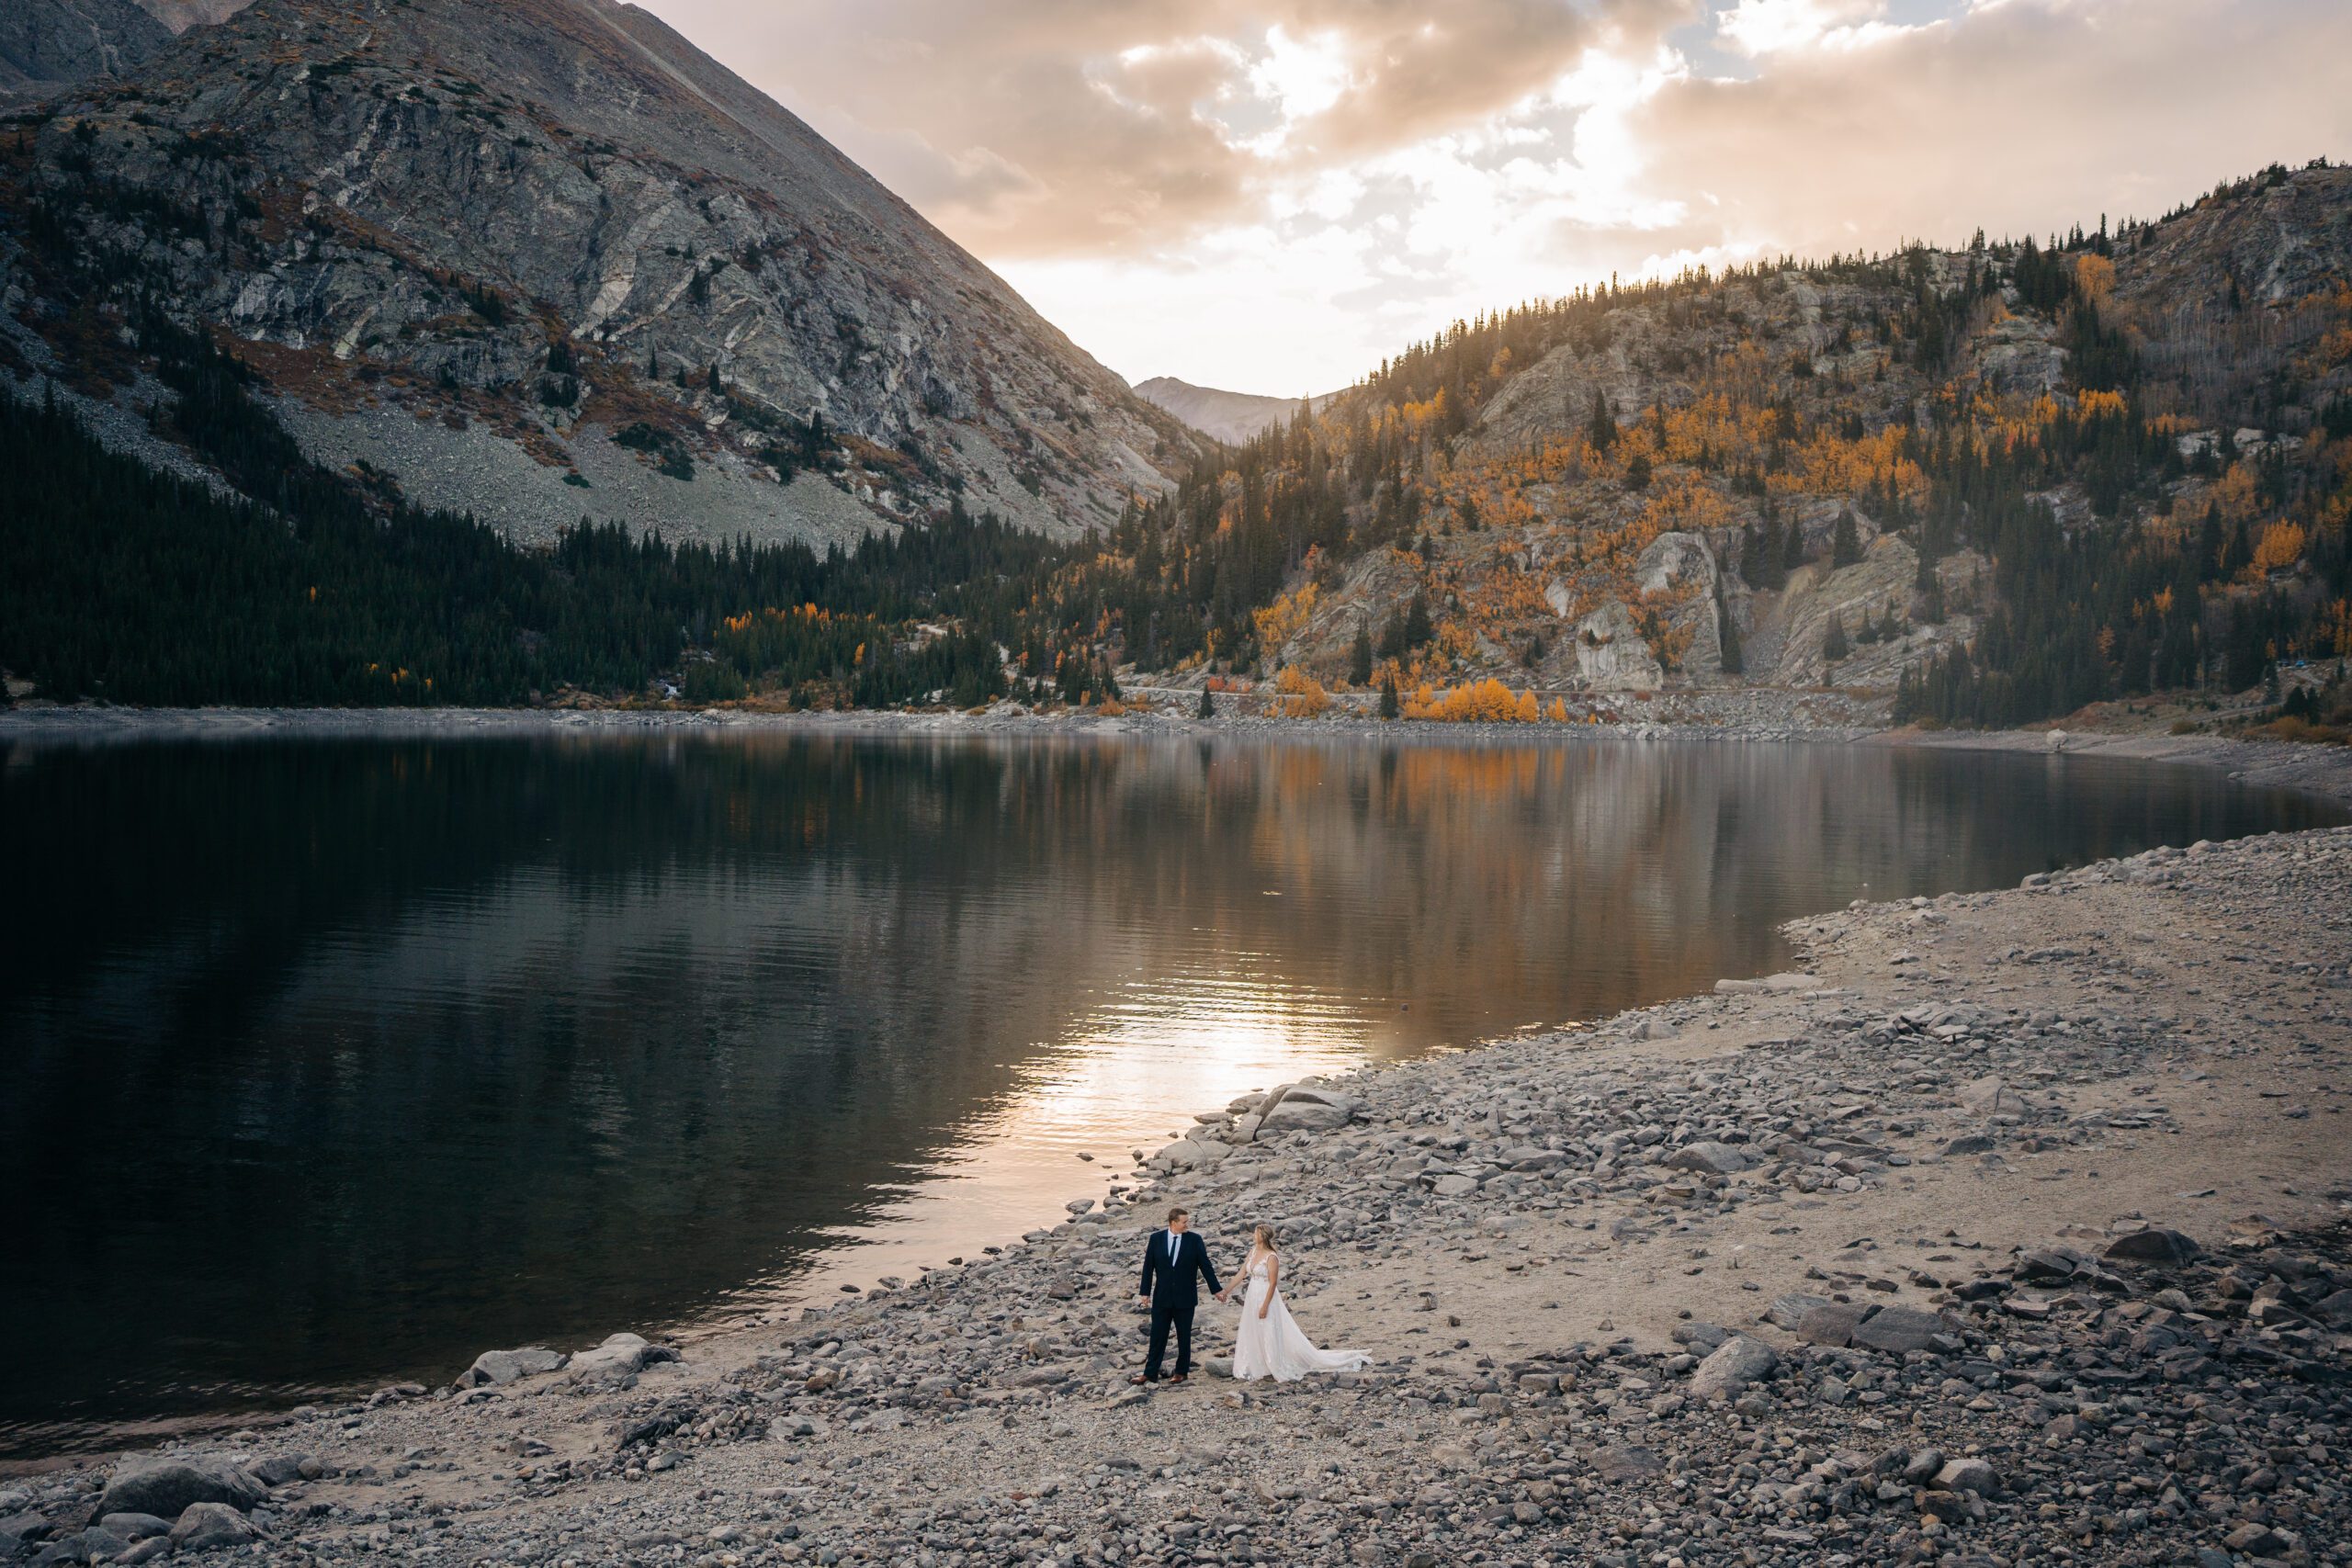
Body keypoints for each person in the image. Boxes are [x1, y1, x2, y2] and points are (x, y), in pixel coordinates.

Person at [1230, 1223, 1370, 1382]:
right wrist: (1225, 1291)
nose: (1253, 1236)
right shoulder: (1253, 1252)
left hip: (1265, 1295)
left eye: (1255, 1233)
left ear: (1262, 1236)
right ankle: (1259, 1364)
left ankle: (1273, 1365)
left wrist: (1265, 1305)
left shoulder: (1271, 1257)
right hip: (1252, 1295)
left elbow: (1273, 1283)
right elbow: (1242, 1273)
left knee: (1268, 1328)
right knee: (1253, 1328)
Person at [1131, 1206, 1222, 1386]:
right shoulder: (1156, 1239)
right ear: (1174, 1223)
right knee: (1158, 1335)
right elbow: (1148, 1267)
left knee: (1184, 1336)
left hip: (1185, 1298)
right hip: (1162, 1297)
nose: (1187, 1224)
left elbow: (1206, 1266)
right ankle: (1150, 1374)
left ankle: (1181, 1372)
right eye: (1184, 1222)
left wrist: (1216, 1290)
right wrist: (1144, 1292)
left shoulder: (1194, 1240)